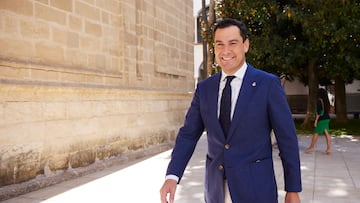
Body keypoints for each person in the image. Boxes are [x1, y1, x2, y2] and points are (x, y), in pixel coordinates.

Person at [160, 18, 302, 203]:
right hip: (215, 191)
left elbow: (287, 139)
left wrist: (293, 189)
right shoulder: (204, 89)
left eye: (233, 43)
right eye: (220, 44)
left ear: (246, 45)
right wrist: (172, 175)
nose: (225, 51)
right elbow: (188, 134)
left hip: (256, 190)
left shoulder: (267, 84)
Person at [305, 88, 331, 155]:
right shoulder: (326, 101)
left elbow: (319, 112)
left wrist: (316, 121)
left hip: (321, 119)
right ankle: (328, 148)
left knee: (316, 132)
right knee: (326, 133)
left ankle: (311, 147)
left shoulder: (319, 101)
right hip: (327, 118)